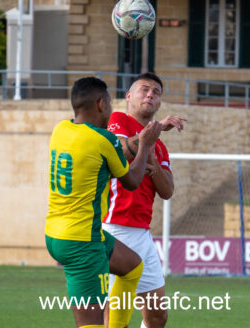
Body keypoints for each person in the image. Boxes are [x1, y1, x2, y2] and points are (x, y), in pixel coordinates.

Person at [45, 77, 162, 328]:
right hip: (81, 241)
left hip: (56, 232)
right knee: (91, 325)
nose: (110, 107)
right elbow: (131, 181)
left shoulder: (61, 130)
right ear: (101, 103)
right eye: (108, 101)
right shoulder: (103, 141)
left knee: (132, 267)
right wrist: (145, 145)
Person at [103, 72, 186, 328]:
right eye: (144, 89)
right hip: (115, 228)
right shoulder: (118, 120)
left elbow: (167, 190)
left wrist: (155, 168)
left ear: (160, 102)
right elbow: (119, 150)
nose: (150, 94)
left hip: (142, 235)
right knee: (116, 318)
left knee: (157, 317)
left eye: (156, 92)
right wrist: (156, 130)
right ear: (129, 96)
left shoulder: (160, 147)